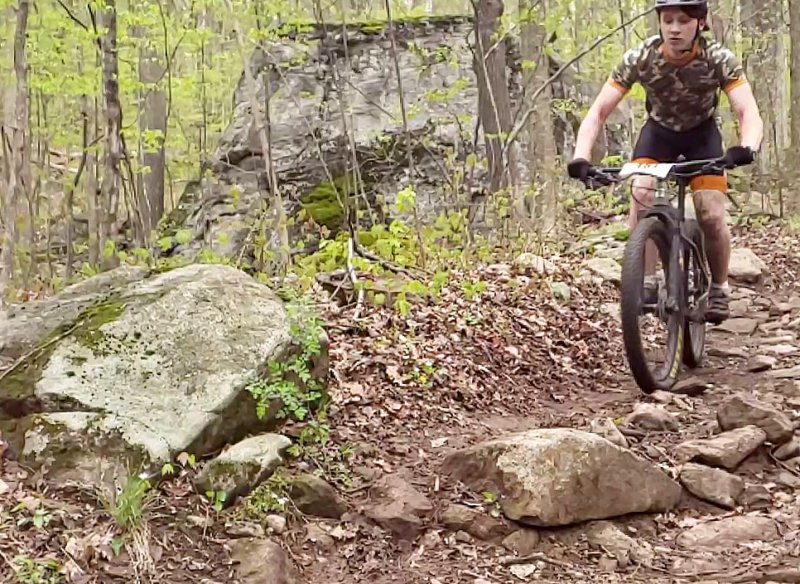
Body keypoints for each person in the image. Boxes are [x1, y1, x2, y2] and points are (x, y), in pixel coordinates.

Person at [566, 0, 763, 323]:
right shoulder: (640, 57)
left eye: (683, 21)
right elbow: (598, 111)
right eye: (667, 20)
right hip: (658, 135)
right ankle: (645, 279)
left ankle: (718, 287)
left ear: (700, 23)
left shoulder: (718, 58)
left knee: (711, 214)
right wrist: (581, 156)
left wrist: (746, 147)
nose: (674, 29)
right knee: (641, 193)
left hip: (702, 137)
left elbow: (747, 111)